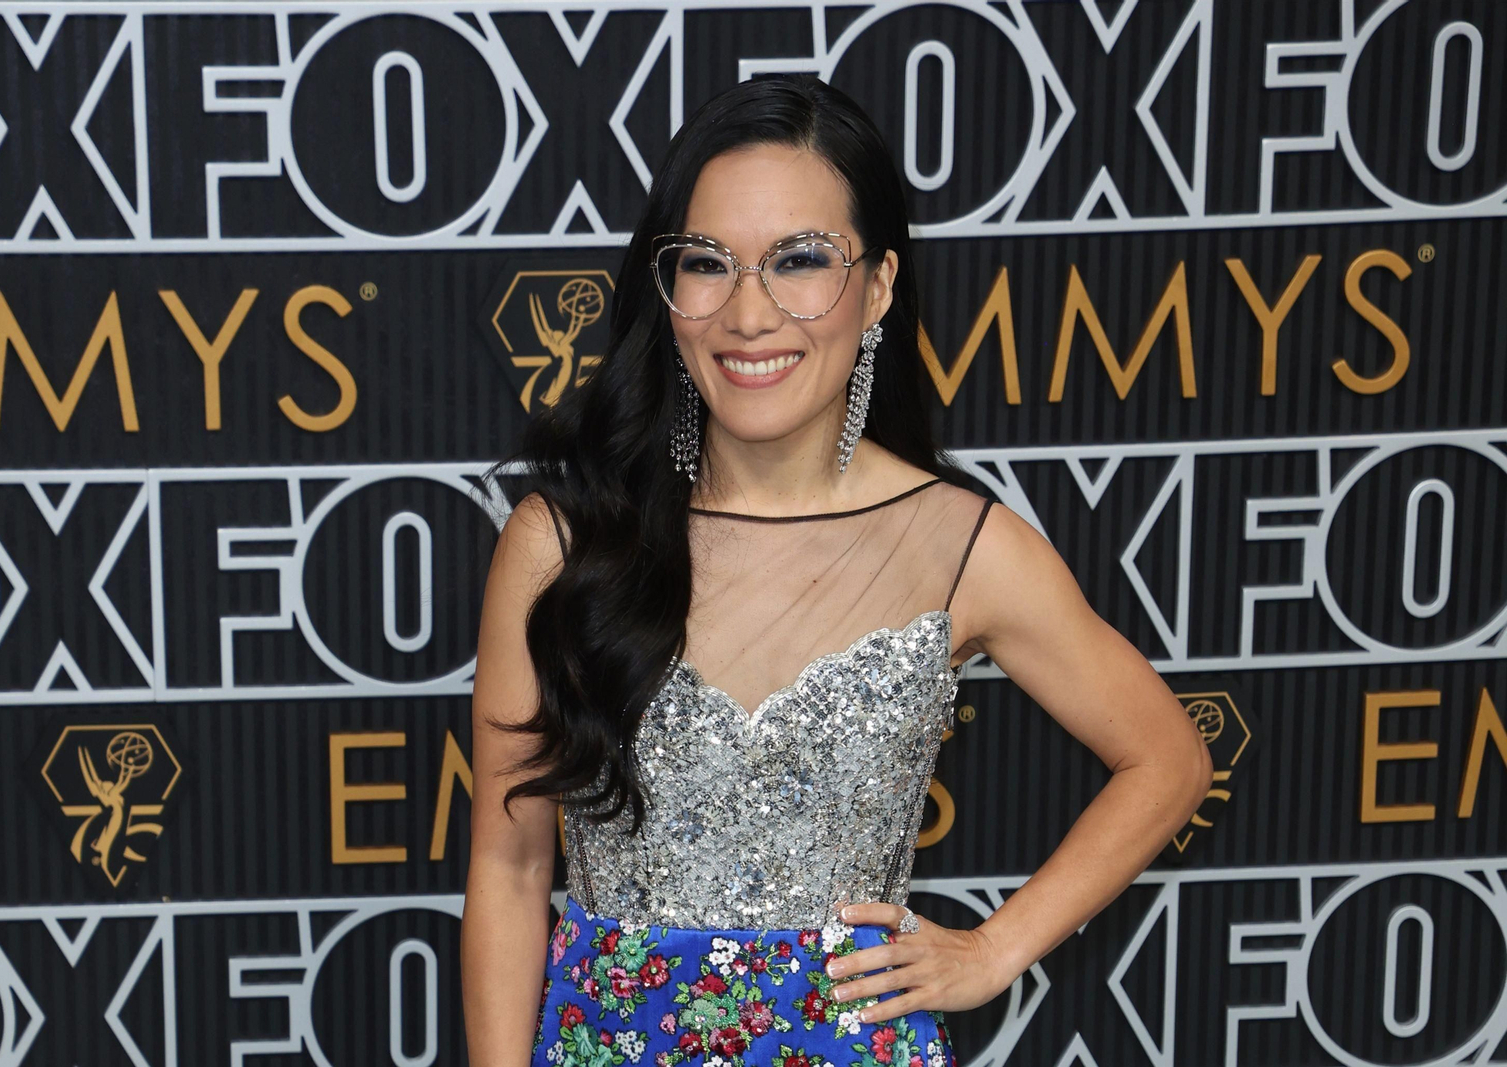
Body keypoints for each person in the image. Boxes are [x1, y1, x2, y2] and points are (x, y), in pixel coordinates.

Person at [461, 74, 1212, 1067]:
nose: (749, 311)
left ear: (879, 287)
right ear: (666, 286)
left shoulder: (960, 545)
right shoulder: (562, 540)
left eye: (799, 260)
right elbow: (509, 867)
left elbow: (1169, 758)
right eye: (708, 263)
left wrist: (993, 948)